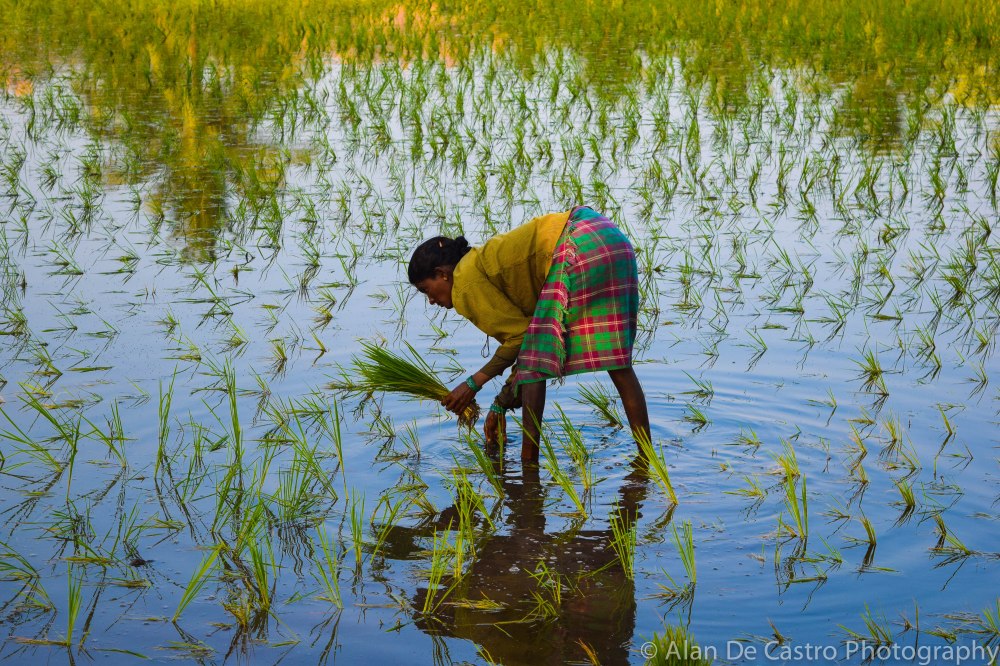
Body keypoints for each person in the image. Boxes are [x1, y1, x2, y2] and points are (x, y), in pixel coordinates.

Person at [408, 206, 650, 461]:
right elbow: (523, 343)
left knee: (537, 362)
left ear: (442, 275)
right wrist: (501, 404)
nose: (431, 300)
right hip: (605, 235)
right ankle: (646, 459)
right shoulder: (478, 265)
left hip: (573, 243)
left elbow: (522, 341)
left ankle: (529, 465)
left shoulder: (464, 282)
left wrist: (473, 384)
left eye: (426, 289)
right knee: (619, 364)